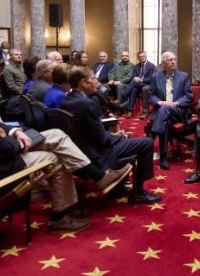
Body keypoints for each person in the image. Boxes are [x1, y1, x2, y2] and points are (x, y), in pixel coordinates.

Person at [0, 62, 131, 233]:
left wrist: (15, 132)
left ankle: (100, 177)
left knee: (57, 135)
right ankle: (61, 217)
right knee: (56, 159)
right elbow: (4, 149)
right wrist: (17, 140)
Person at [62, 67, 162, 204]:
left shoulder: (66, 100)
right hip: (99, 155)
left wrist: (114, 135)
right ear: (83, 83)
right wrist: (118, 136)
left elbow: (91, 133)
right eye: (93, 79)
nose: (96, 81)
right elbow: (102, 140)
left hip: (82, 152)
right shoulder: (87, 104)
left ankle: (118, 188)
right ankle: (139, 193)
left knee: (131, 139)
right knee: (147, 143)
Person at [148, 51, 193, 170]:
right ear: (163, 63)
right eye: (170, 60)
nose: (173, 62)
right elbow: (151, 95)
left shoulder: (183, 76)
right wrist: (160, 102)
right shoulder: (156, 77)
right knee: (165, 122)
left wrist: (174, 103)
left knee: (163, 111)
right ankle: (163, 157)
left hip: (178, 110)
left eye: (174, 59)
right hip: (163, 112)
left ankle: (151, 137)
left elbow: (189, 96)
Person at [124, 51, 156, 118]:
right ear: (138, 58)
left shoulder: (151, 66)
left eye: (143, 56)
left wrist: (140, 80)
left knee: (134, 83)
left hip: (147, 84)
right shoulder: (136, 66)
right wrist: (135, 78)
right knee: (133, 89)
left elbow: (151, 78)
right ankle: (130, 111)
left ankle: (123, 97)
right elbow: (134, 76)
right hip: (138, 85)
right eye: (140, 57)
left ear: (146, 56)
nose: (142, 58)